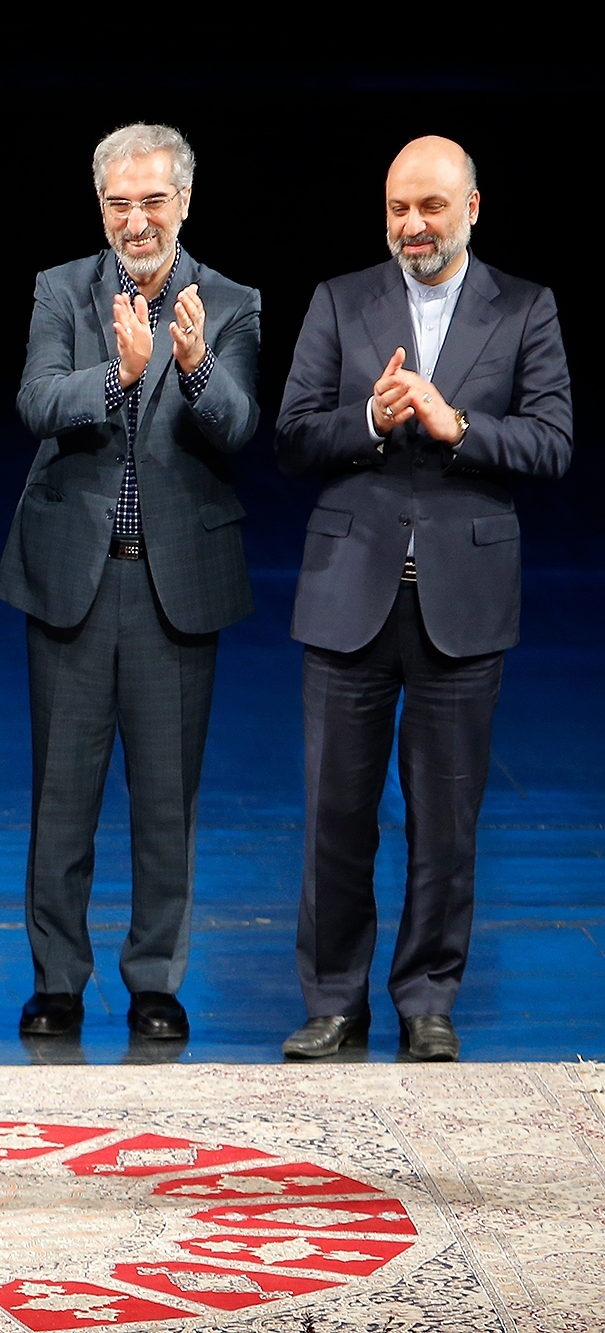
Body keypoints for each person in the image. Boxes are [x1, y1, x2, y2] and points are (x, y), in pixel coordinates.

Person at [274, 136, 571, 1063]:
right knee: (336, 813)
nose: (413, 225)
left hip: (462, 600)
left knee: (445, 818)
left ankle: (428, 1000)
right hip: (350, 593)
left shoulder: (524, 307)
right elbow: (292, 435)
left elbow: (553, 442)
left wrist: (459, 424)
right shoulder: (339, 299)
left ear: (471, 209)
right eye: (399, 208)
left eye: (431, 207)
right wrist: (370, 418)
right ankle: (334, 1000)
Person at [0, 123, 262, 1044]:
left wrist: (192, 367)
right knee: (60, 799)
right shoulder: (62, 289)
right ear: (100, 206)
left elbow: (238, 425)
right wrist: (120, 374)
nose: (137, 221)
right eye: (120, 204)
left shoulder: (231, 302)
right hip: (74, 576)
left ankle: (155, 980)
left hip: (173, 584)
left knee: (166, 799)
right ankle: (57, 981)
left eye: (153, 201)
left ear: (183, 201)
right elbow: (37, 400)